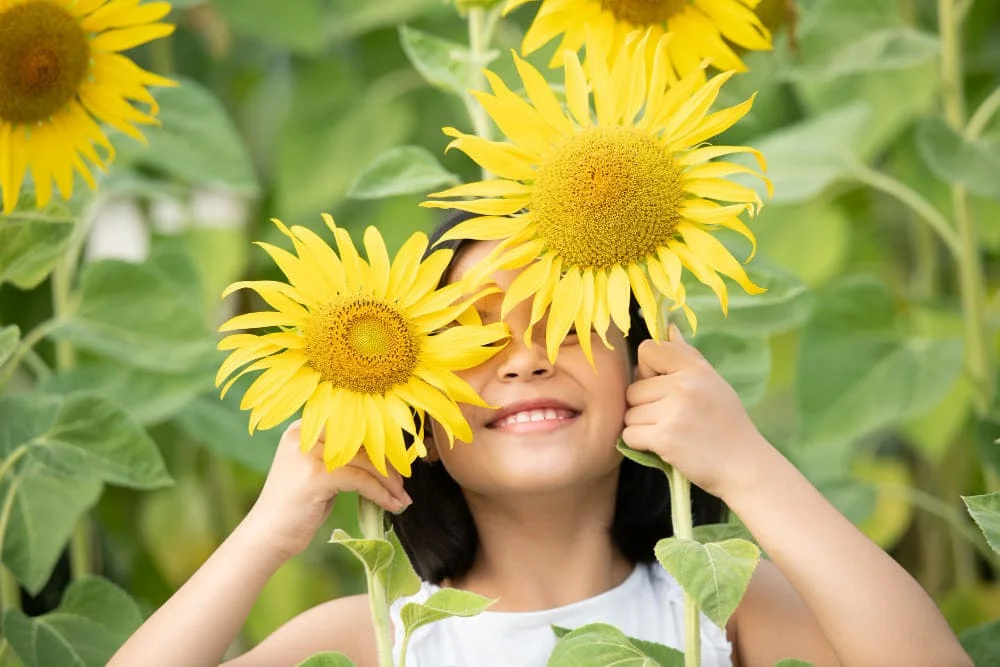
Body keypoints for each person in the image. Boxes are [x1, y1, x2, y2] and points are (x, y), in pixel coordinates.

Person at [109, 213, 972, 667]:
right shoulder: (383, 637)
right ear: (417, 421)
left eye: (566, 320)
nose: (525, 359)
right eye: (474, 335)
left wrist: (747, 464)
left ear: (642, 369)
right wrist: (267, 532)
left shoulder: (719, 609)